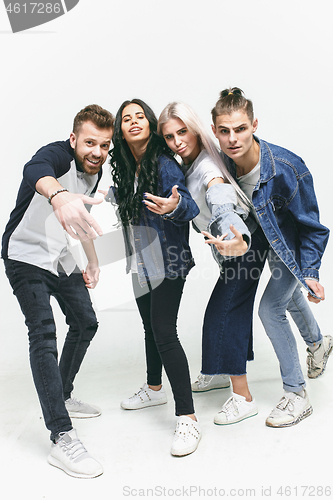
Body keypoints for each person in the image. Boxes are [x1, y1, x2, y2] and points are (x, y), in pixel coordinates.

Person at [207, 87, 332, 427]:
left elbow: (313, 227)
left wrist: (310, 272)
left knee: (270, 307)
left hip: (288, 247)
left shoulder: (287, 167)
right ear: (215, 131)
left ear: (254, 125)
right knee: (288, 299)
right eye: (225, 131)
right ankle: (319, 344)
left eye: (241, 129)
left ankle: (296, 394)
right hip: (259, 241)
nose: (233, 139)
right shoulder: (221, 166)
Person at [2, 104, 114, 477]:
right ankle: (61, 436)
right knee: (44, 335)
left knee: (86, 322)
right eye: (89, 143)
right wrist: (58, 194)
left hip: (60, 256)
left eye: (104, 145)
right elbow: (34, 170)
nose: (96, 152)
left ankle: (62, 393)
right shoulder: (56, 155)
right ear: (73, 139)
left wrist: (92, 260)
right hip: (24, 255)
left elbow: (80, 219)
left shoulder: (94, 172)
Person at [157, 101, 269, 425]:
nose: (178, 141)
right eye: (169, 137)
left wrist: (234, 235)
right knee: (228, 312)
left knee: (224, 315)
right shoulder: (188, 164)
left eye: (183, 132)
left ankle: (243, 398)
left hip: (242, 243)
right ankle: (221, 372)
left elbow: (219, 196)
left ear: (195, 129)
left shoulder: (206, 165)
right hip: (231, 248)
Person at [106, 98, 201, 456]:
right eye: (126, 118)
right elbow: (131, 201)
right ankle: (153, 389)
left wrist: (176, 206)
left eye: (140, 116)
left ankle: (188, 418)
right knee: (149, 326)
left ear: (150, 124)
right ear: (121, 129)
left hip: (168, 262)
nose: (133, 121)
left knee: (164, 332)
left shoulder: (164, 165)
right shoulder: (129, 165)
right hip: (139, 260)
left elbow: (186, 203)